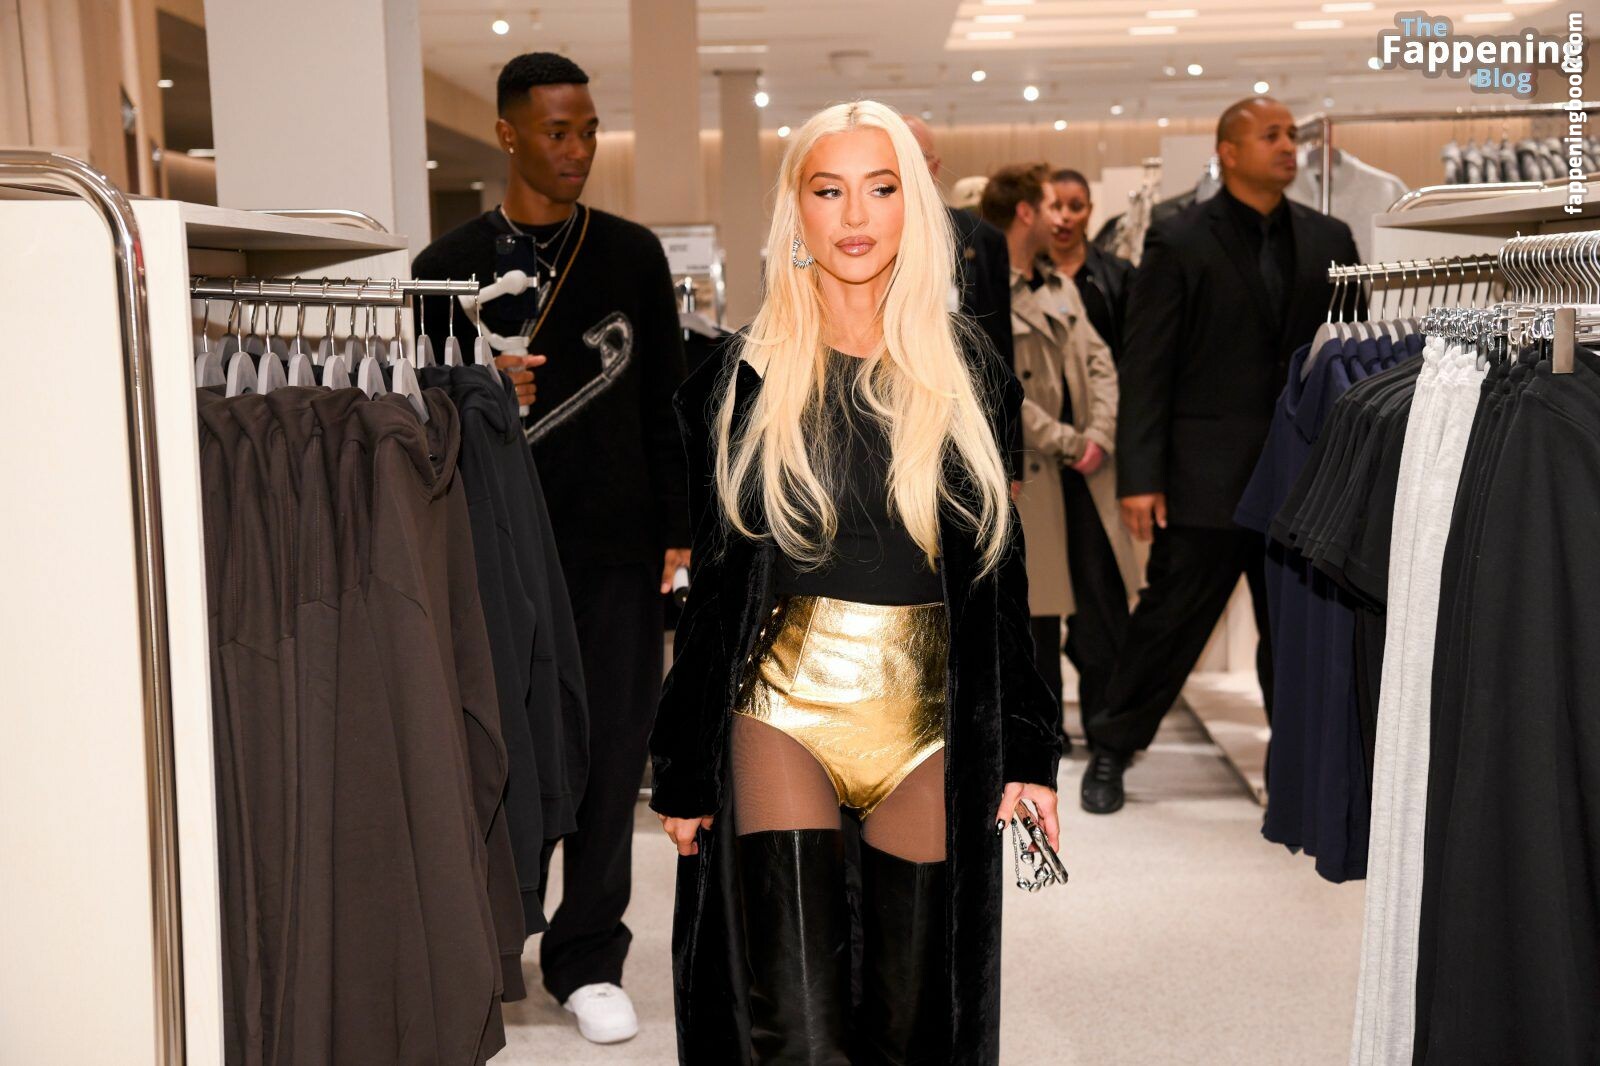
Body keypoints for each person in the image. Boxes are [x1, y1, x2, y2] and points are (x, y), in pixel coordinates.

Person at [647, 101, 1062, 1065]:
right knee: (796, 1027)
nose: (856, 215)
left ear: (915, 205)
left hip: (931, 717)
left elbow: (1000, 578)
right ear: (796, 211)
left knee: (912, 1026)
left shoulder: (970, 373)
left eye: (881, 188)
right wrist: (682, 762)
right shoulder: (735, 379)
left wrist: (1030, 747)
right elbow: (716, 588)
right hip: (781, 707)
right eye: (828, 190)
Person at [411, 52, 690, 1044]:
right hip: (495, 551)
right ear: (508, 134)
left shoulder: (630, 254)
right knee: (503, 744)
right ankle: (498, 941)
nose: (578, 150)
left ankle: (589, 955)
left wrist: (679, 531)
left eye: (588, 130)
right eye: (557, 131)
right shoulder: (445, 264)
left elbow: (667, 400)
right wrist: (479, 389)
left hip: (616, 549)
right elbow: (411, 414)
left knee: (614, 752)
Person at [1083, 96, 1360, 814]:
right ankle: (1111, 748)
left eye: (1291, 134)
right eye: (1271, 135)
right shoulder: (1178, 238)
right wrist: (1140, 477)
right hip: (1204, 478)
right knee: (1168, 623)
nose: (1288, 145)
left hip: (1300, 476)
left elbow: (1351, 355)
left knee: (1294, 634)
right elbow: (1148, 364)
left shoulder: (1330, 237)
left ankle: (1296, 772)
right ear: (1228, 152)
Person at [979, 164, 1138, 759]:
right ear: (1027, 212)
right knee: (1034, 618)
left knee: (1102, 607)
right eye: (1052, 205)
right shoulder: (986, 289)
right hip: (1037, 473)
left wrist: (1098, 435)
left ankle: (1108, 731)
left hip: (1086, 473)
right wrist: (1071, 442)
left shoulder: (1058, 284)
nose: (1063, 218)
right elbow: (1001, 390)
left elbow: (1101, 363)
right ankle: (1041, 734)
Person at [1046, 168, 1136, 364]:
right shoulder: (1029, 273)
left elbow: (1134, 346)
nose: (1065, 216)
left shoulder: (1119, 274)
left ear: (1089, 211)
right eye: (1055, 206)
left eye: (1076, 207)